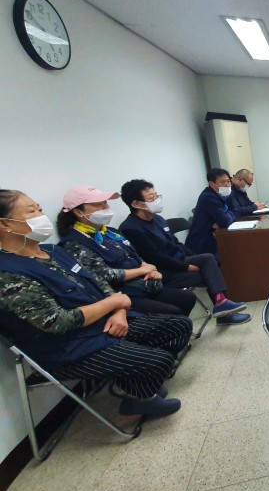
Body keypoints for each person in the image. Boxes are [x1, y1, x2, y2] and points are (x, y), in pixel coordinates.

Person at [0, 190, 190, 418]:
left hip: (105, 323)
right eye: (31, 211)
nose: (41, 215)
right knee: (160, 360)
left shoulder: (52, 251)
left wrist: (119, 310)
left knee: (179, 326)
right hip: (69, 346)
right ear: (5, 224)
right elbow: (57, 321)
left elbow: (98, 283)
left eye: (39, 208)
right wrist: (114, 303)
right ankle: (138, 398)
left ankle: (138, 382)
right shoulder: (8, 272)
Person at [118, 179, 251, 325]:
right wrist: (187, 267)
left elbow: (176, 244)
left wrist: (195, 258)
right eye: (152, 198)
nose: (157, 200)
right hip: (162, 272)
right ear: (137, 204)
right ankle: (224, 312)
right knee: (210, 272)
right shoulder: (131, 228)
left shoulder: (158, 219)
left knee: (210, 259)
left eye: (157, 196)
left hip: (179, 260)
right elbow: (156, 258)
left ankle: (222, 304)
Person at [56, 185, 196, 316]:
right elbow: (103, 275)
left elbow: (134, 255)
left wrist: (149, 268)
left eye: (105, 203)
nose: (105, 207)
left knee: (187, 298)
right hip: (120, 294)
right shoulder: (73, 242)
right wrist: (142, 271)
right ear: (78, 212)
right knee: (173, 312)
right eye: (98, 205)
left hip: (143, 284)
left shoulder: (111, 232)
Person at [186, 168, 237, 256]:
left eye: (228, 181)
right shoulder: (209, 197)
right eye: (222, 182)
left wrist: (227, 216)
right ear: (211, 184)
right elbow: (225, 221)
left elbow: (236, 210)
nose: (227, 185)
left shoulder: (224, 194)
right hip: (202, 244)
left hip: (215, 236)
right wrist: (229, 216)